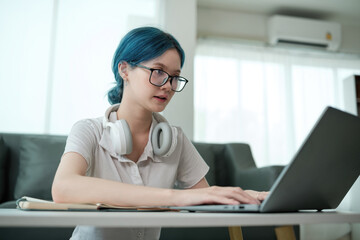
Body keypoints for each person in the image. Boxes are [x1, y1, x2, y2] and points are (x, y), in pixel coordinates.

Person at [52, 26, 267, 240]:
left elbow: (205, 198)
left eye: (174, 77)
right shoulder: (88, 130)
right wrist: (174, 197)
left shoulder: (174, 140)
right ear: (124, 69)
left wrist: (249, 196)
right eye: (158, 72)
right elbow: (63, 187)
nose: (168, 86)